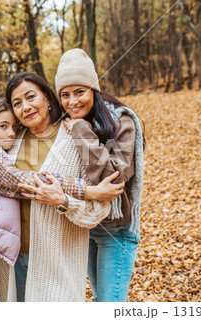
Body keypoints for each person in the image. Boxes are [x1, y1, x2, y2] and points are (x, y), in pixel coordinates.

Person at [0, 96, 120, 302]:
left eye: (13, 126)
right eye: (3, 126)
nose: (11, 132)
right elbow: (25, 181)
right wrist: (90, 191)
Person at [0, 72, 124, 302]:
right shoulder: (9, 142)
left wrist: (64, 201)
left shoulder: (75, 137)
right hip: (13, 260)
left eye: (31, 97)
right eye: (17, 103)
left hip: (58, 263)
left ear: (46, 97)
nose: (25, 107)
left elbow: (99, 210)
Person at [55, 48, 145, 302]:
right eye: (65, 95)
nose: (72, 102)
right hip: (86, 224)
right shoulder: (67, 122)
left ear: (93, 88)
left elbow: (116, 177)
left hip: (117, 228)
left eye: (79, 92)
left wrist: (82, 131)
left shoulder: (121, 120)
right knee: (99, 298)